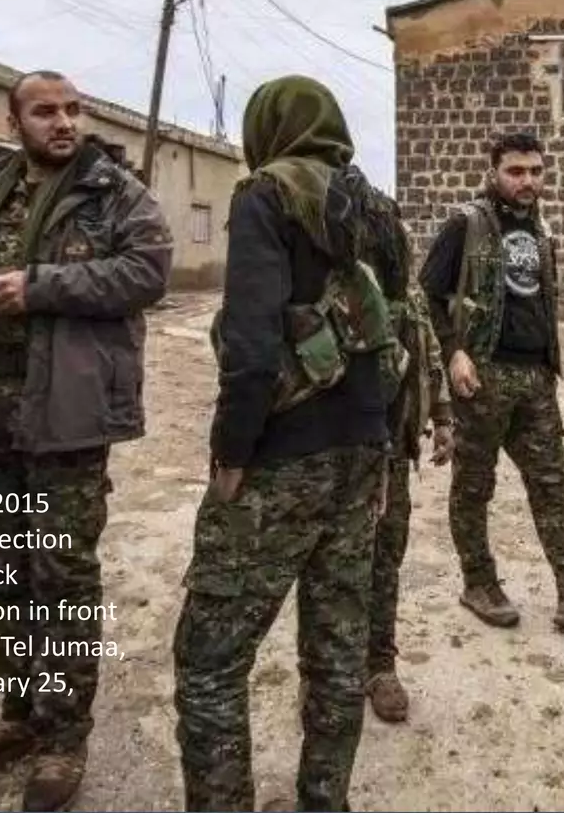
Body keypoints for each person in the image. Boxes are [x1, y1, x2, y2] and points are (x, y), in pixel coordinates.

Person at [0, 70, 171, 812]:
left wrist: (44, 285)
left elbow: (145, 272)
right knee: (5, 566)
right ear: (13, 119)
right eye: (45, 111)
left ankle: (65, 736)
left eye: (72, 109)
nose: (62, 122)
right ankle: (21, 715)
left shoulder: (115, 190)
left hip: (66, 404)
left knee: (62, 572)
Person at [174, 75, 398, 812]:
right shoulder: (376, 206)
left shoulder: (264, 194)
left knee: (210, 659)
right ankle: (323, 801)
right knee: (336, 651)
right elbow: (400, 335)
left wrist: (232, 453)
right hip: (363, 449)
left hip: (281, 455)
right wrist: (387, 449)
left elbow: (249, 343)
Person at [419, 131, 564, 632]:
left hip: (536, 378)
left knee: (552, 486)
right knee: (474, 485)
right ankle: (479, 582)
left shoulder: (541, 229)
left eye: (535, 171)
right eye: (515, 171)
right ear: (493, 172)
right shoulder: (465, 224)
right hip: (483, 376)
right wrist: (454, 352)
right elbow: (426, 294)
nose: (527, 180)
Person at [365, 237, 455, 725]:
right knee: (330, 575)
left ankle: (380, 665)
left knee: (384, 564)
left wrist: (441, 417)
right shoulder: (334, 285)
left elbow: (430, 353)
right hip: (342, 458)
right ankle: (318, 676)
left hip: (396, 455)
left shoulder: (409, 293)